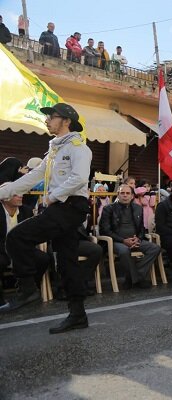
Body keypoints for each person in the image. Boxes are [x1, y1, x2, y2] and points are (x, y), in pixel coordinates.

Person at [0, 102, 92, 334]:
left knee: (16, 237)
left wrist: (52, 196)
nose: (47, 120)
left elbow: (80, 178)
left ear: (66, 121)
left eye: (52, 116)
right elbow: (32, 178)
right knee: (67, 261)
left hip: (69, 206)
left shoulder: (78, 147)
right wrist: (3, 191)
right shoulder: (54, 150)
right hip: (62, 207)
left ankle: (28, 289)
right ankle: (78, 314)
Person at [99, 184, 161, 289]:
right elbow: (104, 230)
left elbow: (142, 228)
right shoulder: (108, 209)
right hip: (117, 241)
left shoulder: (138, 208)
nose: (125, 195)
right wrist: (123, 240)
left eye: (128, 193)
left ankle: (133, 277)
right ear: (117, 195)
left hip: (135, 239)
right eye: (122, 193)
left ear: (132, 196)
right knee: (124, 251)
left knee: (155, 248)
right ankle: (137, 279)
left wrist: (138, 238)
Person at [0, 188, 53, 310]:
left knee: (43, 258)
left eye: (21, 193)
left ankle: (30, 290)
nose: (20, 196)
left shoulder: (26, 211)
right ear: (4, 197)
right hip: (2, 250)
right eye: (16, 193)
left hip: (22, 250)